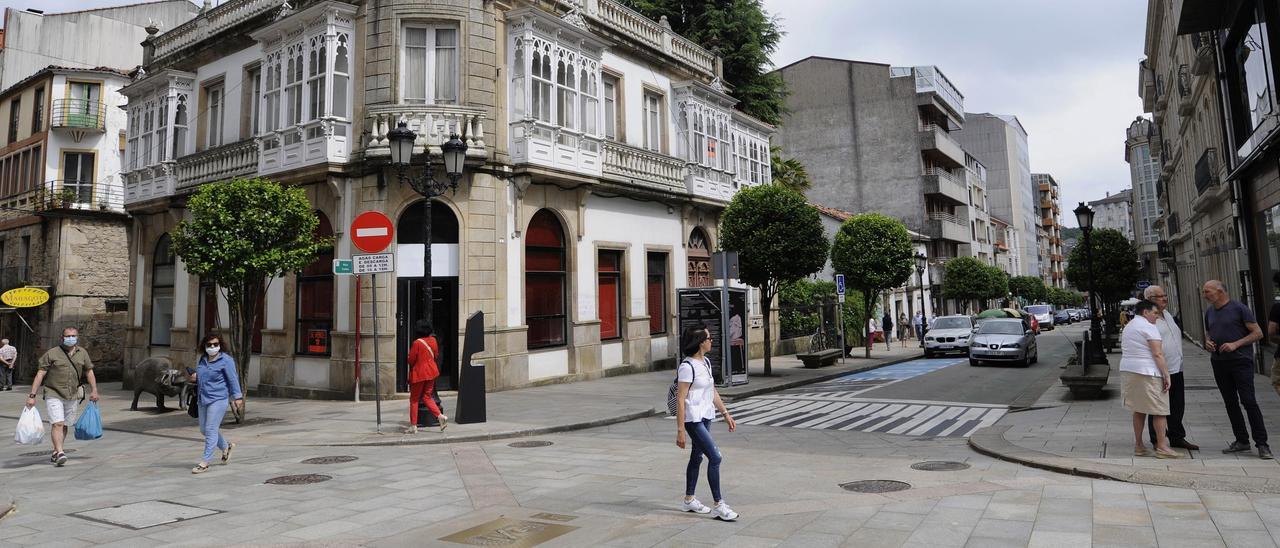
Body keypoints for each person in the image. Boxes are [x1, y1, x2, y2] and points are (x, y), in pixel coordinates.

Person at [675, 324, 738, 522]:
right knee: (715, 457)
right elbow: (680, 399)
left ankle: (689, 499)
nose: (712, 341)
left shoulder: (706, 363)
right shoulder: (687, 367)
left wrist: (726, 413)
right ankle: (719, 505)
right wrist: (680, 430)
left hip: (706, 415)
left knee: (697, 457)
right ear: (701, 342)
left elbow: (712, 392)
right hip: (693, 419)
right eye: (709, 338)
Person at [1202, 280, 1271, 459]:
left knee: (1248, 401)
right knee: (1230, 402)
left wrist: (1236, 344)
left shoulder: (1239, 309)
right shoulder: (1209, 311)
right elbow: (1209, 331)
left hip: (1240, 362)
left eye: (1207, 291)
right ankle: (1241, 440)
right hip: (1219, 362)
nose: (1205, 295)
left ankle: (1262, 444)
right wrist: (1208, 342)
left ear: (1220, 292)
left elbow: (1258, 333)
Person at [25, 327, 99, 467]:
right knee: (57, 423)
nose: (71, 338)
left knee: (65, 425)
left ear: (77, 337)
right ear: (62, 338)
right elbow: (40, 374)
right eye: (68, 336)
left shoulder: (82, 353)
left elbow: (89, 371)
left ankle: (56, 450)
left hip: (72, 394)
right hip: (54, 393)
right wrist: (32, 395)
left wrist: (94, 390)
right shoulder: (52, 353)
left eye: (73, 336)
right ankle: (60, 452)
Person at [1120, 300, 1181, 459]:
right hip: (1148, 372)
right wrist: (1166, 374)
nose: (1157, 317)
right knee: (1160, 410)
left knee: (1139, 409)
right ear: (1145, 312)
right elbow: (1157, 354)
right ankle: (1162, 446)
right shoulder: (1149, 327)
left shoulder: (1130, 326)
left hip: (1129, 370)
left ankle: (1139, 445)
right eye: (1155, 313)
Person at [1144, 286, 1198, 450]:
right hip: (1159, 370)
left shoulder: (1167, 314)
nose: (1164, 298)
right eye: (1159, 296)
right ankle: (1156, 440)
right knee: (1157, 406)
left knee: (1177, 405)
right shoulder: (1148, 319)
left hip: (1176, 368)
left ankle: (1177, 437)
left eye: (1165, 295)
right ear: (1149, 300)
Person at [189, 334, 244, 474]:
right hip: (203, 398)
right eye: (209, 345)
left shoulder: (226, 360)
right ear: (204, 346)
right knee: (204, 429)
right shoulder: (203, 359)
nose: (213, 347)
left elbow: (233, 379)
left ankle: (205, 462)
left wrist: (238, 397)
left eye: (215, 344)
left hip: (218, 399)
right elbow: (203, 375)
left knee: (211, 430)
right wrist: (196, 376)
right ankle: (226, 446)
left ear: (220, 345)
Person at [406, 320, 447, 434]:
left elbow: (411, 360)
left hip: (419, 374)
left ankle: (413, 425)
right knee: (427, 397)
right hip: (431, 372)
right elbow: (436, 354)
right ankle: (440, 416)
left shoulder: (417, 343)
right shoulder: (433, 340)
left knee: (414, 399)